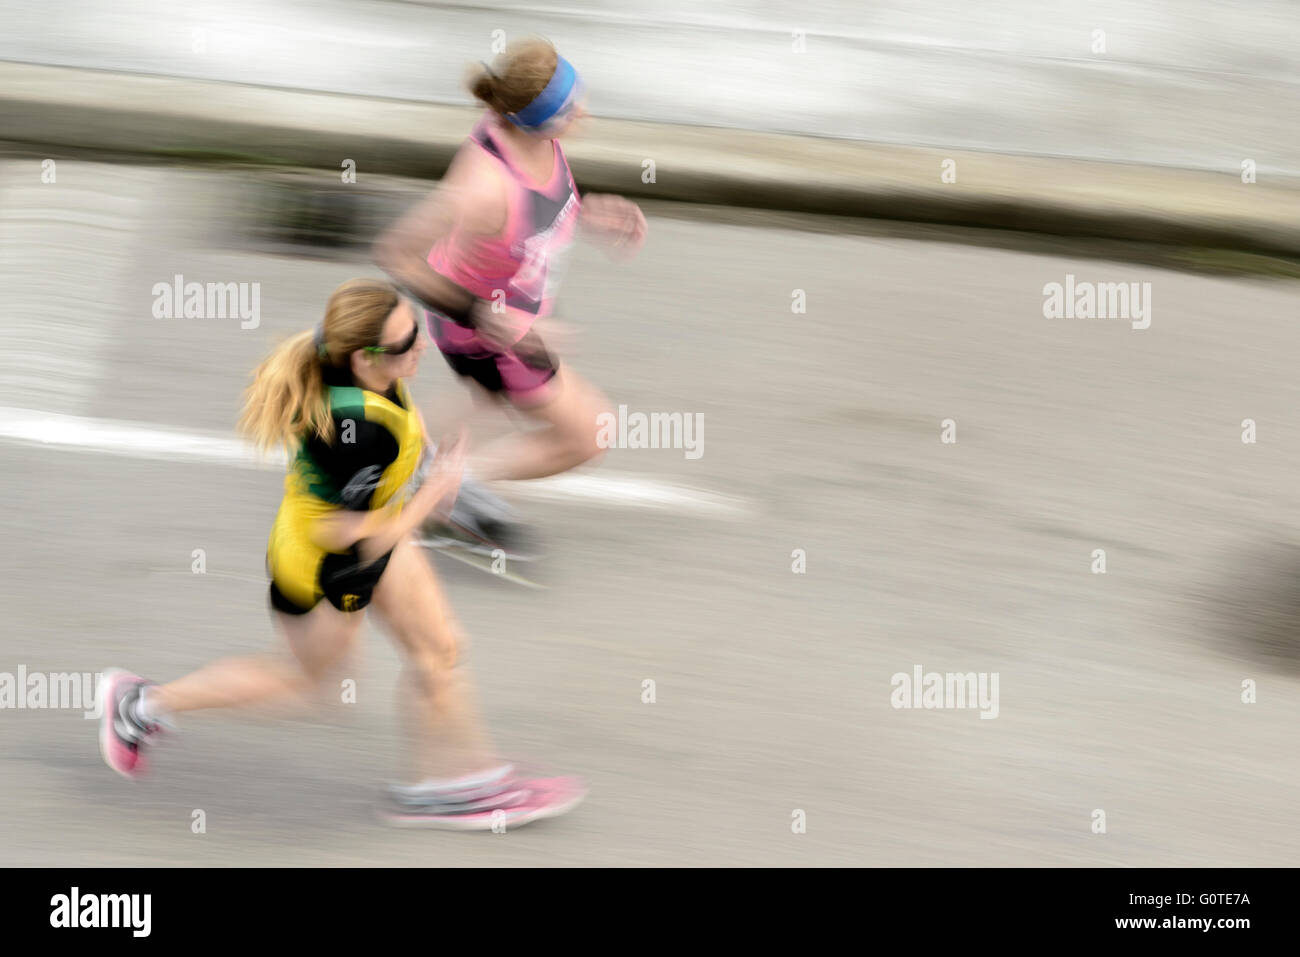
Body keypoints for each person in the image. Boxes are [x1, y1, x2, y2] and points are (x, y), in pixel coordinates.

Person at [98, 278, 585, 829]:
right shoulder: (355, 435)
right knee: (309, 685)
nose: (422, 345)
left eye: (417, 330)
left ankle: (452, 785)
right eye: (408, 343)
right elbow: (348, 534)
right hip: (326, 564)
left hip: (373, 529)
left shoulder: (358, 363)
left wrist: (429, 457)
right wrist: (434, 493)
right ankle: (140, 704)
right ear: (367, 357)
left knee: (441, 650)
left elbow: (400, 423)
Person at [373, 35, 647, 553]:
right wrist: (488, 318)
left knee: (485, 398)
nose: (583, 112)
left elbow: (539, 201)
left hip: (518, 309)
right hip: (493, 331)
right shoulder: (479, 188)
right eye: (571, 110)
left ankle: (402, 467)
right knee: (591, 434)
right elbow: (394, 253)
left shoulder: (523, 129)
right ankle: (447, 489)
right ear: (538, 121)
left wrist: (586, 211)